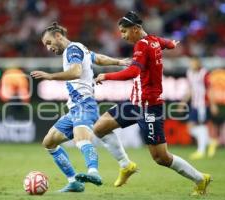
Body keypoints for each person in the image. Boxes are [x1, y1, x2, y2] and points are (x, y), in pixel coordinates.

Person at [94, 11, 211, 196]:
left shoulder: (142, 45)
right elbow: (165, 43)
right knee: (99, 128)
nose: (123, 36)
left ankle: (200, 179)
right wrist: (172, 44)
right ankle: (126, 165)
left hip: (149, 106)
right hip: (134, 103)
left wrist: (106, 75)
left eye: (124, 31)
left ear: (136, 28)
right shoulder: (154, 40)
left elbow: (133, 72)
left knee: (161, 158)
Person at [31, 22, 133, 192]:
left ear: (58, 36)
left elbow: (76, 72)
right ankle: (73, 181)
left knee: (81, 139)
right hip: (75, 108)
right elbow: (98, 58)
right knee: (49, 142)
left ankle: (94, 172)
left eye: (49, 43)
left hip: (84, 104)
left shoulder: (72, 50)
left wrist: (50, 76)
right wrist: (119, 62)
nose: (49, 48)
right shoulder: (79, 48)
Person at [180, 57, 217, 160]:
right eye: (191, 62)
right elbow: (190, 89)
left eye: (193, 62)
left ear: (198, 63)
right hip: (194, 104)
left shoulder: (204, 73)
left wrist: (213, 104)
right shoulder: (190, 73)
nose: (192, 64)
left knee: (201, 126)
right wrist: (183, 103)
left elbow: (210, 90)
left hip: (203, 104)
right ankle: (210, 141)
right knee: (190, 128)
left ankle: (201, 151)